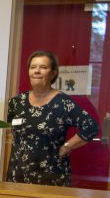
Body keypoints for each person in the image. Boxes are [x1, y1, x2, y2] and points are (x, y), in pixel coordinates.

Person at [6, 50, 99, 187]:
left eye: (43, 67)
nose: (37, 71)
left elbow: (91, 127)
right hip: (18, 175)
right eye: (33, 67)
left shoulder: (63, 103)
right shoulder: (16, 103)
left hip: (51, 177)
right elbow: (11, 130)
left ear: (53, 73)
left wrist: (67, 147)